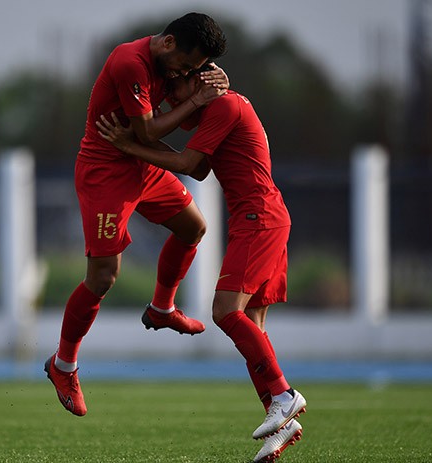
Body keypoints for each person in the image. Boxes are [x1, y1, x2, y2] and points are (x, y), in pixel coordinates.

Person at [95, 66, 306, 463]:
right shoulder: (221, 106)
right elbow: (201, 165)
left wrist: (129, 146)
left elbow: (189, 163)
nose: (172, 98)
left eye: (176, 86)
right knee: (253, 327)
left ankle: (284, 395)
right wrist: (159, 120)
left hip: (258, 219)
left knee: (225, 312)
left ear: (198, 79)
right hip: (263, 217)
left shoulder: (224, 106)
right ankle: (281, 420)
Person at [43, 12, 229, 417]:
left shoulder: (173, 63)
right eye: (185, 65)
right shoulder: (131, 62)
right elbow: (146, 131)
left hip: (140, 163)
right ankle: (63, 365)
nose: (185, 73)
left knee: (193, 227)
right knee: (103, 277)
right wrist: (197, 98)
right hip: (106, 172)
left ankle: (162, 308)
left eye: (193, 69)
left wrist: (214, 85)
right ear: (168, 43)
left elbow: (179, 119)